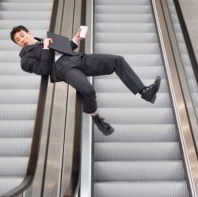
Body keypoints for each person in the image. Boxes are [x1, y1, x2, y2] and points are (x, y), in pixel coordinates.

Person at [10, 25, 161, 136]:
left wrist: (76, 38)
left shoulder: (45, 40)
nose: (21, 40)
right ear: (17, 44)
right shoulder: (25, 60)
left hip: (80, 59)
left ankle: (144, 92)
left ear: (29, 32)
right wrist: (46, 48)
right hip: (65, 70)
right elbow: (43, 70)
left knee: (117, 60)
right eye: (17, 40)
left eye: (22, 35)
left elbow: (66, 49)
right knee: (88, 90)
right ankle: (96, 119)